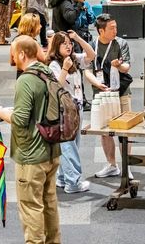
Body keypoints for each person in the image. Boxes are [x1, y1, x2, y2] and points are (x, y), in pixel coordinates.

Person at [0, 36, 61, 244]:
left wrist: (1, 112)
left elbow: (20, 119)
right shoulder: (48, 72)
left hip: (31, 155)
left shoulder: (25, 80)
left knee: (31, 208)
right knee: (49, 203)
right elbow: (37, 111)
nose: (11, 56)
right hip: (52, 149)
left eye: (13, 52)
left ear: (21, 53)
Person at [87, 14, 133, 180]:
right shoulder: (92, 45)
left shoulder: (121, 43)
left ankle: (127, 166)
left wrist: (119, 65)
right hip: (101, 92)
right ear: (101, 31)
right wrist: (97, 84)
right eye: (111, 28)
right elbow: (87, 70)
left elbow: (127, 67)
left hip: (122, 91)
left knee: (125, 129)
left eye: (116, 27)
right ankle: (111, 164)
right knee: (104, 130)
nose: (115, 30)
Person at [48, 31, 95, 193]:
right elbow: (55, 87)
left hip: (77, 107)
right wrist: (65, 69)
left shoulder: (74, 59)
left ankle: (62, 177)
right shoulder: (54, 65)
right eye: (64, 44)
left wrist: (78, 38)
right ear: (56, 46)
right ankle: (73, 182)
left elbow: (91, 54)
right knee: (68, 146)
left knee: (73, 144)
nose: (68, 46)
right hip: (64, 110)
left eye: (69, 43)